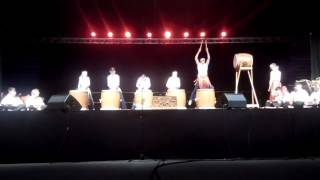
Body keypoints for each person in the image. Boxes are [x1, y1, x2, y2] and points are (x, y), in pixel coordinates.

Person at [188, 40, 213, 105]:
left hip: (206, 78)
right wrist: (199, 50)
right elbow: (195, 57)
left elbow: (209, 57)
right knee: (195, 89)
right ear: (200, 60)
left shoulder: (206, 64)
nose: (203, 60)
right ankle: (191, 99)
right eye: (202, 59)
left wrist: (207, 50)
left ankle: (212, 100)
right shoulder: (198, 64)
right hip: (200, 78)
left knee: (211, 87)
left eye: (204, 59)